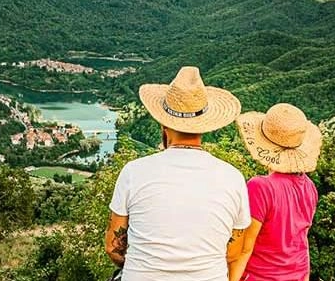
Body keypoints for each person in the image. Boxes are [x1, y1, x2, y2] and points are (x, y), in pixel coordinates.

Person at [105, 66, 251, 281]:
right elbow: (233, 252)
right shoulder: (233, 178)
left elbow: (113, 248)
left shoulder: (134, 172)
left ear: (163, 124)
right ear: (204, 126)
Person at [231, 103, 323, 281]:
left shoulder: (260, 187)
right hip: (298, 274)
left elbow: (244, 248)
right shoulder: (310, 187)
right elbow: (301, 241)